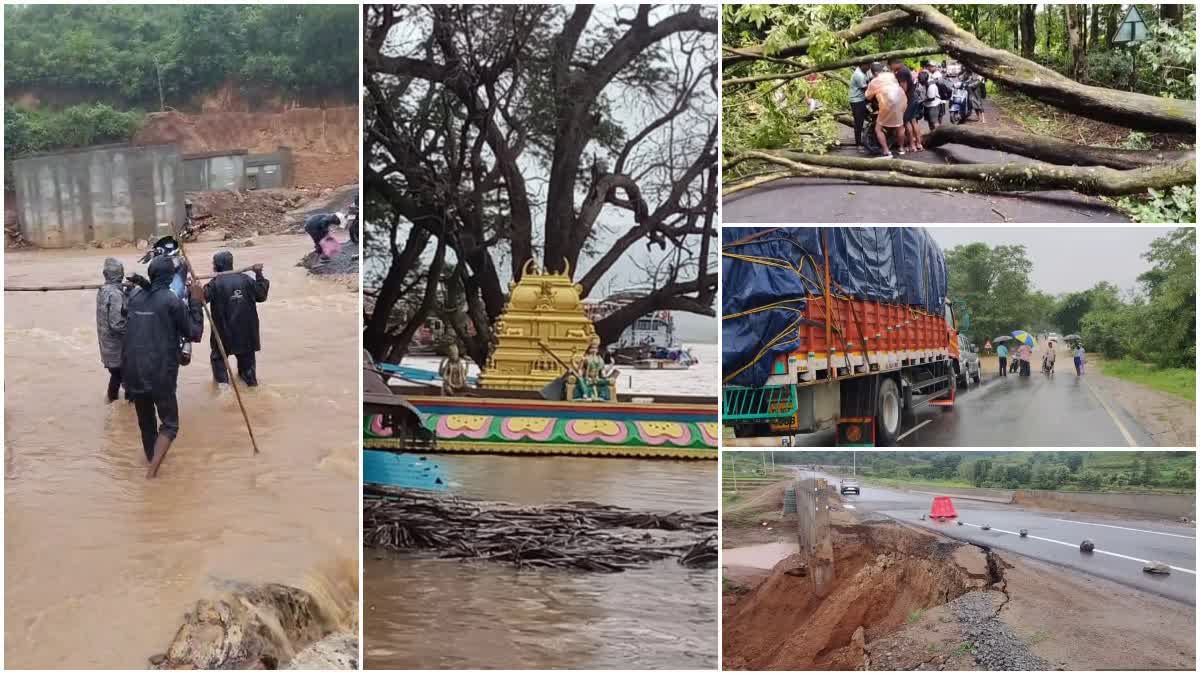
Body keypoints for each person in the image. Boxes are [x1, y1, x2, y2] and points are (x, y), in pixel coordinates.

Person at [122, 256, 204, 478]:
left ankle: (151, 460)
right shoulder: (171, 300)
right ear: (170, 277)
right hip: (159, 372)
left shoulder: (136, 296)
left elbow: (132, 311)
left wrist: (143, 286)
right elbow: (194, 333)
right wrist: (196, 301)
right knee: (169, 425)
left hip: (133, 370)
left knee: (146, 422)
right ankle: (152, 474)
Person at [204, 251, 269, 387]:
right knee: (248, 375)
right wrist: (259, 274)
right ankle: (251, 388)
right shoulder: (246, 279)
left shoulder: (215, 283)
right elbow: (261, 295)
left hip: (223, 334)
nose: (213, 267)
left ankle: (223, 390)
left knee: (218, 360)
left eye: (213, 264)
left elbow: (201, 299)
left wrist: (193, 288)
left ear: (218, 265)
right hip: (246, 333)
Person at [96, 257, 129, 402]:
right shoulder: (115, 294)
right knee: (124, 376)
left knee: (116, 375)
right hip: (116, 348)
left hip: (106, 345)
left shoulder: (103, 290)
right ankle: (122, 404)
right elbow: (117, 324)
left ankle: (112, 403)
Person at [864, 62, 906, 158]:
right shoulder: (891, 75)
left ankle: (886, 151)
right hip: (901, 99)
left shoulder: (875, 81)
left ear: (874, 73)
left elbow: (868, 96)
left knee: (878, 129)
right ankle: (901, 148)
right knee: (900, 126)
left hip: (887, 103)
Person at [888, 58, 922, 153]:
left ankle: (912, 145)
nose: (891, 68)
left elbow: (903, 89)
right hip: (914, 97)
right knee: (913, 121)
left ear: (894, 63)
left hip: (908, 99)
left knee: (906, 122)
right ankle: (918, 144)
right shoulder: (905, 69)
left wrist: (897, 100)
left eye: (890, 66)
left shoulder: (901, 72)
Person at [849, 62, 871, 149]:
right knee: (859, 122)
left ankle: (867, 136)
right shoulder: (859, 75)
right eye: (868, 65)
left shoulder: (863, 72)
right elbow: (867, 89)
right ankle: (858, 144)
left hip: (860, 99)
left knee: (866, 118)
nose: (869, 67)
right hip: (857, 101)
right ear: (862, 65)